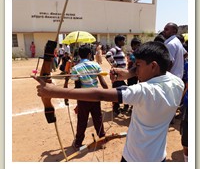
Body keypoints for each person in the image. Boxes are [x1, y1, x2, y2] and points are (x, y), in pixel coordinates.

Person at [35, 41, 184, 161]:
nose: (135, 70)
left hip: (135, 158)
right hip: (158, 157)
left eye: (137, 66)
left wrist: (53, 92)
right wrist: (127, 74)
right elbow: (162, 70)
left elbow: (101, 95)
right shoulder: (177, 83)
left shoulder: (144, 91)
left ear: (153, 66)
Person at [70, 44, 108, 148]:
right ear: (89, 54)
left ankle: (78, 143)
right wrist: (107, 91)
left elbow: (77, 87)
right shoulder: (96, 65)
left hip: (84, 97)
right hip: (95, 96)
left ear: (79, 55)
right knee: (98, 118)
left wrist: (78, 103)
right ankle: (102, 139)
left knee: (82, 120)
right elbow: (103, 83)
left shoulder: (75, 68)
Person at [105, 35, 128, 116]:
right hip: (117, 74)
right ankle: (116, 109)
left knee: (119, 90)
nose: (124, 42)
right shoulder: (115, 49)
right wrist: (115, 65)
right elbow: (108, 55)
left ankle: (118, 108)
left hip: (121, 74)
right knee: (119, 90)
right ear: (118, 41)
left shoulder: (119, 50)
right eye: (123, 40)